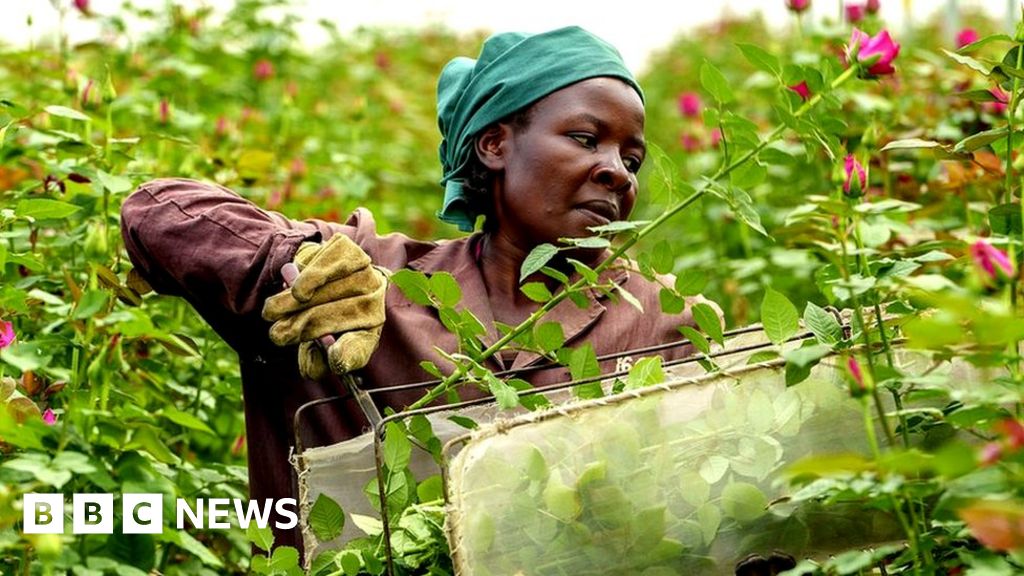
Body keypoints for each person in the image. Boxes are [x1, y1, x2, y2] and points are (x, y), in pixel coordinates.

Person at [120, 26, 716, 550]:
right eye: (586, 139)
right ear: (495, 144)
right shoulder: (373, 281)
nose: (616, 170)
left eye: (631, 159)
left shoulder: (660, 325)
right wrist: (291, 263)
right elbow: (156, 211)